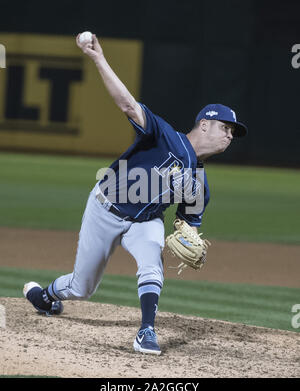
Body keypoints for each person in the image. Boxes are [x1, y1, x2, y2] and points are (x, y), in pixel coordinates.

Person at [23, 33, 247, 356]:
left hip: (145, 221)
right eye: (225, 127)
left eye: (233, 133)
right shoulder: (165, 136)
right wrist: (98, 57)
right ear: (204, 125)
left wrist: (192, 238)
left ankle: (146, 331)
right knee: (81, 287)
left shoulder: (201, 184)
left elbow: (188, 225)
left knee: (152, 261)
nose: (229, 136)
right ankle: (46, 297)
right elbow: (127, 103)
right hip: (105, 208)